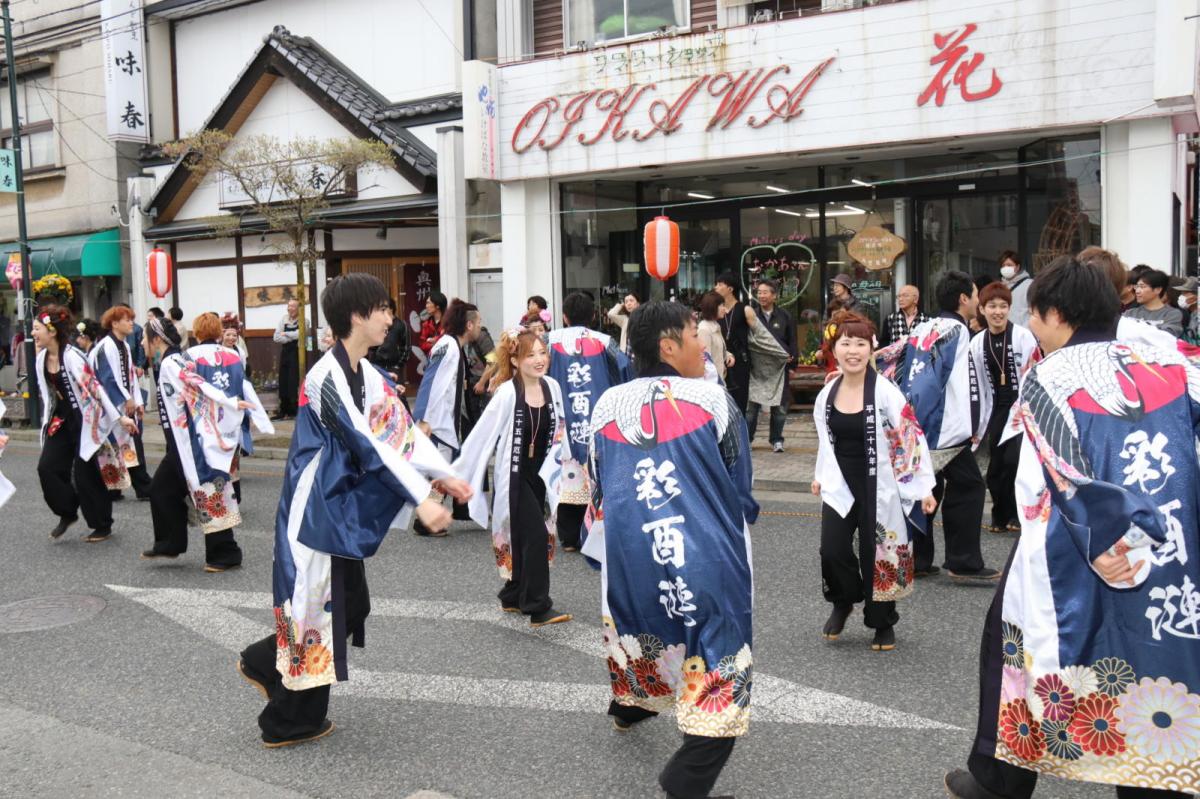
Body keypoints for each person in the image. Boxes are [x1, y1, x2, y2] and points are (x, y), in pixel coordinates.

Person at [945, 255, 1200, 799]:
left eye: (1031, 312)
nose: (1028, 324)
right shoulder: (1176, 358)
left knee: (1017, 648)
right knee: (1160, 664)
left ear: (1055, 313)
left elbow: (1065, 471)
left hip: (1079, 542)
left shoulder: (1050, 373)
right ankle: (1161, 779)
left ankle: (1000, 781)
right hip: (1177, 544)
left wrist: (1101, 535)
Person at [236, 273, 471, 749]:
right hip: (315, 511)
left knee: (345, 605)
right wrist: (420, 497)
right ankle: (288, 719)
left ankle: (265, 660)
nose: (391, 317)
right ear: (357, 316)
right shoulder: (325, 376)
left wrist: (441, 472)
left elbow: (401, 432)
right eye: (383, 309)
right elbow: (367, 445)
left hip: (339, 507)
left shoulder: (369, 375)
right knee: (318, 608)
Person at [584, 300, 758, 799]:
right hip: (705, 557)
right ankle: (684, 782)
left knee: (650, 642)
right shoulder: (712, 401)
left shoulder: (605, 406)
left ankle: (636, 705)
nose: (703, 344)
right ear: (668, 345)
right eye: (693, 335)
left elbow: (599, 491)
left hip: (633, 563)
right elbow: (739, 487)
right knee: (720, 660)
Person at [812, 312, 936, 651]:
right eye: (846, 343)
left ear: (871, 348)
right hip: (841, 481)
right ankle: (843, 600)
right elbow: (826, 440)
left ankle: (882, 621)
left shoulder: (886, 393)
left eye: (860, 344)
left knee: (879, 551)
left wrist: (923, 487)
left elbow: (909, 440)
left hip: (881, 484)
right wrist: (820, 475)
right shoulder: (827, 395)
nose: (853, 351)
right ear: (834, 349)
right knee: (832, 549)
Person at [886, 270, 1000, 585]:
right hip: (941, 428)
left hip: (926, 424)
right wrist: (919, 421)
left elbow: (902, 365)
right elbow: (929, 378)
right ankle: (962, 561)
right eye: (975, 295)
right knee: (970, 486)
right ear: (964, 299)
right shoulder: (954, 330)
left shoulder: (926, 326)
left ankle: (919, 559)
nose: (978, 300)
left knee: (928, 487)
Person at [452, 328, 572, 627]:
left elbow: (560, 431)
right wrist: (458, 473)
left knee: (522, 535)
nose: (539, 359)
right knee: (535, 534)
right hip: (515, 476)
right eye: (530, 355)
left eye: (542, 353)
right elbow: (482, 435)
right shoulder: (507, 392)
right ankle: (537, 605)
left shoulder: (552, 387)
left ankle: (513, 592)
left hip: (541, 474)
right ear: (516, 361)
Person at [141, 314, 272, 571]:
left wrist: (235, 405)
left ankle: (225, 553)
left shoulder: (173, 362)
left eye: (144, 339)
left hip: (195, 438)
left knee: (209, 491)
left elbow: (199, 386)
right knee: (163, 490)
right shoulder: (193, 358)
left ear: (156, 340)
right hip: (192, 436)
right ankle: (170, 543)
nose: (142, 343)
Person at [34, 305, 137, 542]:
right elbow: (47, 397)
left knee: (86, 475)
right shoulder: (40, 359)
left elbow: (97, 390)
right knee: (47, 467)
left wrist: (118, 417)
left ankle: (102, 524)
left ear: (52, 331)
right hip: (59, 421)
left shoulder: (72, 356)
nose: (33, 334)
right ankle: (67, 511)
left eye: (37, 329)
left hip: (85, 421)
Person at [546, 291, 631, 552]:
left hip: (562, 419)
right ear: (594, 315)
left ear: (564, 316)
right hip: (598, 418)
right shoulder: (605, 341)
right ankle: (594, 533)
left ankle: (569, 537)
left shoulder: (550, 340)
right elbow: (624, 368)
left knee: (566, 473)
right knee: (597, 472)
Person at [969, 283, 1040, 534]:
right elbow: (975, 383)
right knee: (996, 467)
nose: (998, 312)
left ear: (1009, 309)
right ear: (982, 309)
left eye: (1003, 306)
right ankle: (1000, 514)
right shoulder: (977, 343)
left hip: (1021, 407)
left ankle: (1016, 514)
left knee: (1015, 462)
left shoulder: (1023, 336)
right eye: (992, 306)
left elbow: (1034, 372)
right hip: (995, 408)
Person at [412, 299, 482, 534]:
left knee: (443, 469)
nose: (481, 327)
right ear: (469, 325)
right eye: (479, 322)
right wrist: (423, 417)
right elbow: (431, 381)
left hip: (443, 421)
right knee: (438, 471)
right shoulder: (448, 346)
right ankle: (425, 520)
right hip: (437, 422)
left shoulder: (452, 345)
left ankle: (435, 516)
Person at [92, 305, 153, 501]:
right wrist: (127, 398)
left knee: (128, 444)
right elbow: (107, 379)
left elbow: (130, 375)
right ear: (114, 323)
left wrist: (138, 400)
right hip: (111, 406)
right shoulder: (105, 347)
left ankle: (122, 487)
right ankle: (125, 487)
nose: (131, 323)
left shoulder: (124, 345)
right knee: (117, 446)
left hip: (123, 404)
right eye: (127, 320)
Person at [746, 279, 795, 453]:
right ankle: (747, 440)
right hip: (756, 369)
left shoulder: (785, 316)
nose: (761, 295)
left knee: (780, 408)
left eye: (765, 292)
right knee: (751, 409)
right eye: (759, 292)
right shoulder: (752, 316)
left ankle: (776, 439)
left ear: (774, 295)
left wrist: (792, 360)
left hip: (779, 369)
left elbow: (792, 341)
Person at [714, 271, 751, 412]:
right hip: (721, 359)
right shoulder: (716, 310)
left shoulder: (745, 309)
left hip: (741, 361)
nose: (716, 287)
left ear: (730, 289)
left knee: (739, 401)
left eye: (719, 284)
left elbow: (758, 336)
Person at [1125, 268, 1184, 337]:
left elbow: (1166, 337)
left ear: (1158, 290)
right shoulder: (1130, 313)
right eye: (1137, 287)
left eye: (1142, 287)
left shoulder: (1172, 314)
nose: (1137, 291)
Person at [368, 298, 409, 387]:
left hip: (394, 366)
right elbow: (371, 345)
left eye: (384, 308)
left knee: (397, 392)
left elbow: (406, 347)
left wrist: (398, 365)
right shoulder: (377, 324)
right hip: (377, 364)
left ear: (391, 309)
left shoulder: (401, 324)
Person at [272, 299, 301, 420]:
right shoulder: (284, 319)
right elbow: (276, 337)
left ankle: (294, 410)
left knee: (293, 381)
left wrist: (286, 334)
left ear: (298, 308)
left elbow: (301, 334)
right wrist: (290, 336)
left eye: (293, 306)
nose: (290, 309)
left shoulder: (304, 320)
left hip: (297, 353)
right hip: (285, 352)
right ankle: (283, 410)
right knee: (283, 380)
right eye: (289, 306)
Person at [697, 291, 731, 381]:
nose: (725, 309)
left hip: (720, 378)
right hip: (712, 382)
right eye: (722, 305)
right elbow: (705, 360)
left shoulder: (716, 325)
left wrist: (728, 355)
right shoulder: (704, 329)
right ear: (712, 307)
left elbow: (717, 349)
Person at [998, 251, 1032, 327]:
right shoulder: (999, 287)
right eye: (1003, 266)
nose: (1006, 268)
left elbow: (1034, 312)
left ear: (1017, 267)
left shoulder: (1030, 285)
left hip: (1023, 333)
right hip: (1005, 333)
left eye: (1009, 265)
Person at [418, 291, 447, 357]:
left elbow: (448, 342)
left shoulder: (448, 323)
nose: (426, 306)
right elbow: (422, 345)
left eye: (428, 303)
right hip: (432, 359)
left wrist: (434, 340)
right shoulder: (426, 324)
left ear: (437, 306)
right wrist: (434, 344)